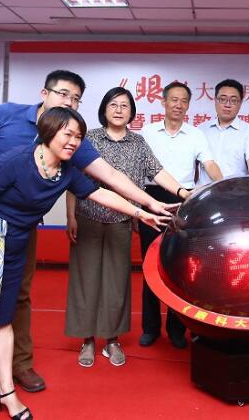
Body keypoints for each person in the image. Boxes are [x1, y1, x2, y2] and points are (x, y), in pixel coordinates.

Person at [0, 70, 176, 399]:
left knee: (18, 295)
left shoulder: (71, 145)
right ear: (45, 93)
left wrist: (147, 206)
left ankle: (19, 365)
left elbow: (107, 180)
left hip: (21, 226)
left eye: (76, 99)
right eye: (63, 94)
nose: (69, 102)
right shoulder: (7, 117)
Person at [64, 87, 187, 368]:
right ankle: (87, 339)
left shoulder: (138, 142)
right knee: (86, 281)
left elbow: (157, 172)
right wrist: (71, 216)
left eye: (124, 106)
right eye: (113, 104)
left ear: (132, 112)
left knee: (116, 283)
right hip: (88, 217)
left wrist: (182, 192)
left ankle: (112, 339)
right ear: (104, 109)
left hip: (121, 220)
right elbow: (73, 179)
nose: (119, 110)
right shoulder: (89, 138)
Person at [139, 82, 223, 348]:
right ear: (163, 103)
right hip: (152, 198)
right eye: (173, 100)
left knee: (180, 266)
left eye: (183, 101)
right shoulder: (147, 132)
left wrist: (222, 185)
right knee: (150, 264)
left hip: (184, 200)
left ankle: (177, 329)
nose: (178, 105)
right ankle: (150, 328)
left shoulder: (196, 134)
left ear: (188, 105)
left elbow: (209, 163)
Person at [197, 79, 249, 184]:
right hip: (205, 191)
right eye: (222, 99)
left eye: (233, 100)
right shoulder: (201, 130)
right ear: (215, 100)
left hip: (236, 191)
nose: (227, 104)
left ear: (240, 103)